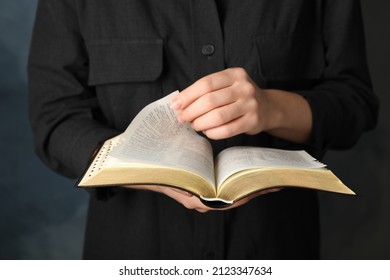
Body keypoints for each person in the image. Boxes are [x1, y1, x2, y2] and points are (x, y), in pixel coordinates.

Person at [28, 0, 379, 259]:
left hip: (276, 250)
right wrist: (144, 170)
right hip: (130, 252)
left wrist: (271, 108)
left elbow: (355, 104)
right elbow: (54, 118)